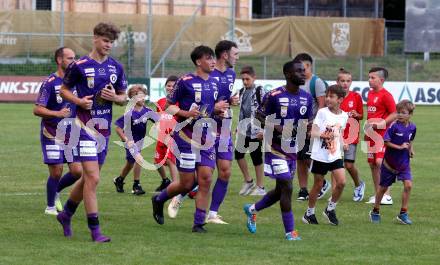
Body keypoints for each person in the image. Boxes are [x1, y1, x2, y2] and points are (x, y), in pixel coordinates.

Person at [57, 22, 128, 242]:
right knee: (94, 178)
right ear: (95, 38)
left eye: (111, 42)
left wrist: (115, 98)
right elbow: (64, 90)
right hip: (83, 127)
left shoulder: (116, 67)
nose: (108, 45)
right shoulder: (79, 65)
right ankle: (95, 231)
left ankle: (66, 213)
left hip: (103, 131)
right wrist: (79, 101)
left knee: (89, 179)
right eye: (105, 41)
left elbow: (123, 96)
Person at [151, 45, 226, 233]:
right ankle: (159, 199)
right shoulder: (185, 81)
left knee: (206, 178)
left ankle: (198, 223)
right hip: (186, 136)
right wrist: (186, 112)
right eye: (209, 58)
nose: (213, 61)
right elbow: (168, 107)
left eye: (213, 58)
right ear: (198, 61)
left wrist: (218, 113)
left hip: (206, 137)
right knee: (186, 182)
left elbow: (209, 109)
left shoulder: (215, 83)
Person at [243, 59, 312, 241]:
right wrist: (277, 128)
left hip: (292, 149)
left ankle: (252, 209)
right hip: (273, 148)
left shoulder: (307, 97)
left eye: (304, 70)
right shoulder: (273, 95)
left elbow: (307, 124)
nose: (303, 73)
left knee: (281, 190)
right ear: (288, 74)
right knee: (288, 186)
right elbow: (259, 117)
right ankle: (290, 232)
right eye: (299, 71)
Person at [33, 47, 82, 215]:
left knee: (77, 172)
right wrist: (57, 113)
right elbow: (37, 109)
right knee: (56, 171)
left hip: (71, 133)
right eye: (70, 58)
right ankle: (50, 207)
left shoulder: (76, 81)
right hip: (51, 133)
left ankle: (56, 191)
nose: (74, 61)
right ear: (59, 60)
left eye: (75, 58)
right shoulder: (50, 82)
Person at [302, 84, 348, 226]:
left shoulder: (344, 116)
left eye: (331, 96)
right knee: (318, 184)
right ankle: (309, 213)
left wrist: (343, 143)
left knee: (341, 182)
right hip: (320, 155)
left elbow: (338, 133)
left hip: (334, 154)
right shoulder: (322, 112)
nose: (327, 99)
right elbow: (313, 133)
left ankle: (330, 209)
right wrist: (323, 135)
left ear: (340, 99)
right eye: (327, 96)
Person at [206, 40, 240, 224]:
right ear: (225, 55)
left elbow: (224, 99)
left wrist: (231, 101)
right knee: (205, 172)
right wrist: (214, 107)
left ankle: (212, 214)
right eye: (235, 54)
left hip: (224, 127)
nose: (237, 57)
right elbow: (198, 102)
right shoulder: (208, 73)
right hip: (207, 127)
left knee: (225, 172)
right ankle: (179, 194)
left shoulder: (231, 74)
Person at [369, 100, 416, 225]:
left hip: (404, 163)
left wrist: (411, 150)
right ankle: (375, 210)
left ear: (410, 114)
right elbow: (386, 142)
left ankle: (403, 214)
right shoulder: (394, 126)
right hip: (389, 164)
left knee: (408, 185)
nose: (400, 115)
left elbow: (410, 140)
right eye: (398, 112)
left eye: (403, 113)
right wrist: (400, 147)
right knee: (382, 188)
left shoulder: (413, 127)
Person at [293, 53, 331, 201]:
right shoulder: (297, 82)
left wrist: (314, 127)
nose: (301, 70)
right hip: (298, 126)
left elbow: (322, 106)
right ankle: (303, 189)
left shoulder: (317, 82)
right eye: (298, 68)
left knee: (309, 158)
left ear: (309, 66)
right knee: (300, 158)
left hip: (312, 127)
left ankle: (323, 183)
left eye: (304, 67)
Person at [113, 85, 156, 195]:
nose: (142, 98)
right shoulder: (129, 113)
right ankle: (136, 185)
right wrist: (126, 140)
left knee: (130, 164)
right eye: (138, 96)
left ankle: (119, 180)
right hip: (130, 141)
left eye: (143, 96)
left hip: (140, 141)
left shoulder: (147, 111)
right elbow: (118, 128)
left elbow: (159, 120)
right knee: (138, 159)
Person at [364, 67, 397, 205]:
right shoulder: (370, 94)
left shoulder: (386, 95)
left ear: (381, 80)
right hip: (369, 133)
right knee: (372, 164)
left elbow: (395, 113)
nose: (370, 80)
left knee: (380, 163)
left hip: (382, 135)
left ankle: (387, 195)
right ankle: (378, 194)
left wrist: (382, 123)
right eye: (369, 77)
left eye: (373, 78)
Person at [235, 65, 267, 196]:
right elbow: (242, 110)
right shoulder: (242, 91)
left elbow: (267, 109)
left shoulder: (260, 91)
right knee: (238, 155)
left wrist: (264, 130)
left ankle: (260, 187)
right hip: (244, 129)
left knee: (256, 158)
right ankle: (248, 181)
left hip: (256, 130)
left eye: (247, 79)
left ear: (254, 77)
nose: (245, 82)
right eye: (243, 79)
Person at [337, 68, 366, 202]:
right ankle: (334, 193)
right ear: (337, 82)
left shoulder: (356, 97)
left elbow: (361, 115)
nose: (345, 83)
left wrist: (356, 114)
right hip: (336, 135)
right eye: (342, 81)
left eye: (348, 81)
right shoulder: (334, 96)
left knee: (348, 165)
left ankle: (358, 184)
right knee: (335, 164)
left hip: (351, 135)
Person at [154, 76, 179, 192]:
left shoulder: (180, 103)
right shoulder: (160, 102)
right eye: (168, 85)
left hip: (172, 137)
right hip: (161, 136)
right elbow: (158, 117)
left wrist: (175, 131)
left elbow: (183, 119)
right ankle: (165, 181)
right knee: (157, 162)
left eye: (173, 86)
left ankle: (175, 186)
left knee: (170, 161)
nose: (170, 88)